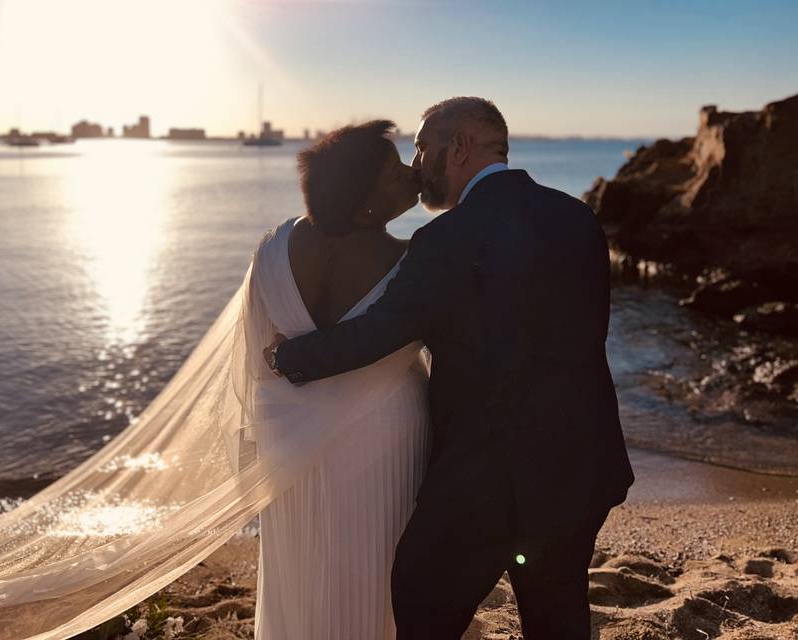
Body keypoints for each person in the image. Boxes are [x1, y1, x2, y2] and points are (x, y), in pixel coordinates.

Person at [265, 97, 635, 640]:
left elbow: (378, 333)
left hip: (486, 481)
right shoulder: (577, 218)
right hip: (580, 467)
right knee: (557, 615)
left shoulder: (447, 239)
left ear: (458, 147)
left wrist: (288, 356)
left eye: (421, 148)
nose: (416, 166)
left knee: (420, 599)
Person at [250, 119, 431, 638]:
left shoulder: (273, 246)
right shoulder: (414, 259)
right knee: (379, 567)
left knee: (304, 571)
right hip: (385, 436)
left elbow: (256, 354)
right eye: (395, 170)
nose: (412, 174)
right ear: (362, 197)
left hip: (289, 440)